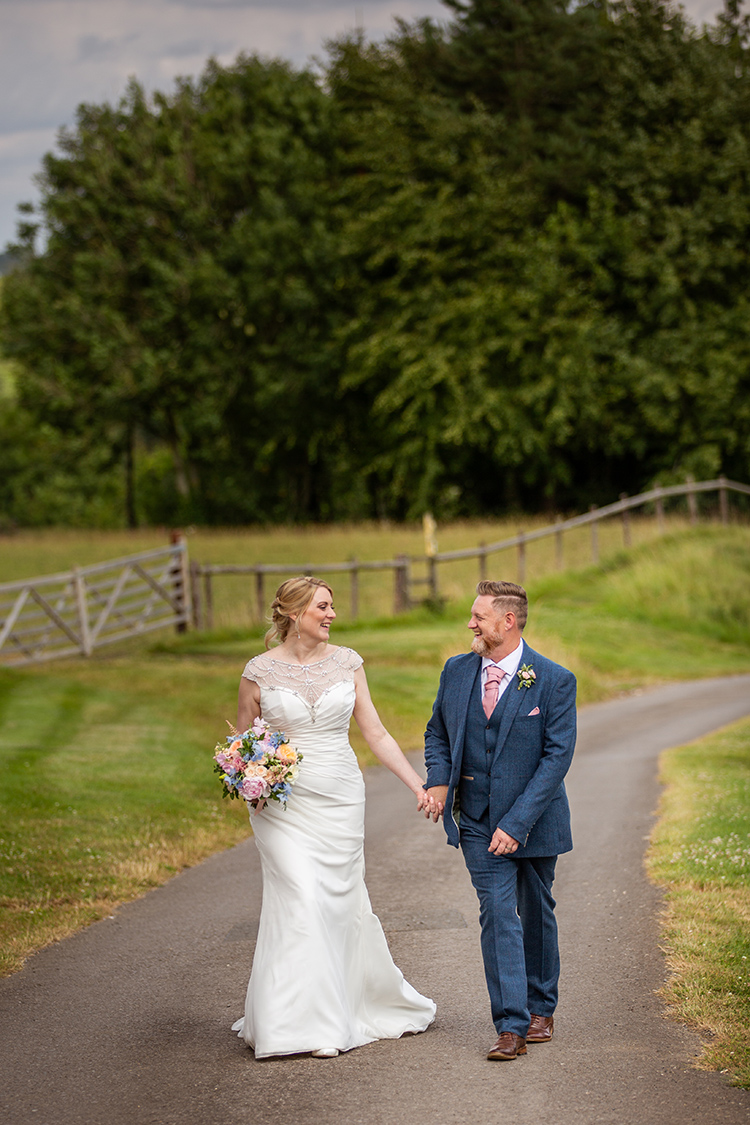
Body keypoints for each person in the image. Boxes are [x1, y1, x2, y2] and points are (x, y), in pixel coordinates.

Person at [232, 576, 437, 1059]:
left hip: (341, 797)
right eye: (322, 607)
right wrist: (252, 784)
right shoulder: (258, 672)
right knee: (300, 896)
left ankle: (339, 1008)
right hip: (280, 806)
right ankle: (297, 1023)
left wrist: (418, 784)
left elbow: (378, 733)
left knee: (337, 904)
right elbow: (242, 743)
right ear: (294, 612)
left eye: (331, 607)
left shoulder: (348, 663)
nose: (331, 615)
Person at [424, 580, 576, 1062]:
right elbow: (437, 733)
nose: (471, 623)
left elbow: (556, 759)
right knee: (497, 913)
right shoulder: (456, 671)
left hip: (534, 823)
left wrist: (516, 823)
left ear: (507, 622)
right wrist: (438, 779)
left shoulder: (553, 680)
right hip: (475, 821)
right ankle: (510, 1026)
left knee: (535, 912)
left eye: (479, 616)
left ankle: (541, 1006)